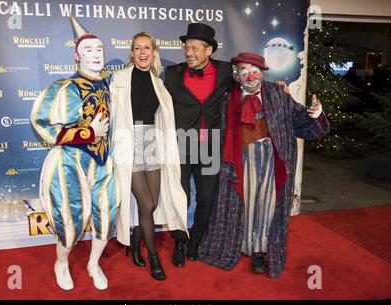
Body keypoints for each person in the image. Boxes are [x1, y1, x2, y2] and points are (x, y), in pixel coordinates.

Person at [198, 52, 330, 278]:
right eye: (244, 71)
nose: (250, 77)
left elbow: (299, 120)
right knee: (245, 203)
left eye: (254, 71)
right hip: (242, 158)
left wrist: (315, 114)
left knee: (267, 204)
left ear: (263, 72)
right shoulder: (228, 99)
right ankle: (243, 245)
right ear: (237, 75)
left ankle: (259, 251)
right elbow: (220, 132)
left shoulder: (278, 94)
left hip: (272, 157)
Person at [30, 16, 118, 290]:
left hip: (103, 162)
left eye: (99, 49)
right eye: (89, 50)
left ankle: (93, 263)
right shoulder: (65, 87)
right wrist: (87, 132)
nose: (96, 55)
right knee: (70, 219)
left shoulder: (111, 84)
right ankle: (62, 262)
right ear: (77, 57)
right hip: (71, 163)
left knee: (106, 215)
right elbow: (40, 121)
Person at [110, 32, 188, 280]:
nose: (142, 52)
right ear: (132, 53)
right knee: (145, 204)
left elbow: (163, 118)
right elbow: (109, 115)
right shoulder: (119, 79)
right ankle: (153, 256)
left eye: (147, 48)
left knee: (152, 203)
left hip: (152, 142)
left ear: (154, 51)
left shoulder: (158, 83)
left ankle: (135, 242)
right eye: (137, 48)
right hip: (127, 143)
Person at [164, 23, 234, 267]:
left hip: (210, 146)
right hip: (181, 145)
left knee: (206, 198)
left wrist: (275, 87)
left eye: (194, 48)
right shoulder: (173, 73)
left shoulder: (225, 72)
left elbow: (242, 91)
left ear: (209, 50)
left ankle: (196, 243)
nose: (188, 52)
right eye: (186, 47)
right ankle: (180, 241)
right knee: (179, 198)